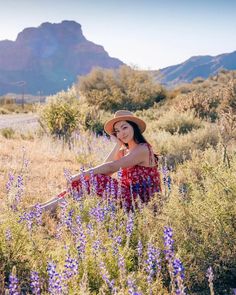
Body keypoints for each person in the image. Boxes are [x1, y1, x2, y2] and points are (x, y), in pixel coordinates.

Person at [40, 110, 161, 212]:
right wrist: (117, 145)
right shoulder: (125, 151)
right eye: (117, 131)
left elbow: (111, 167)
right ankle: (43, 207)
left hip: (143, 203)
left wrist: (79, 175)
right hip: (129, 196)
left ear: (134, 127)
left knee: (94, 179)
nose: (121, 133)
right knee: (86, 181)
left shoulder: (143, 149)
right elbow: (105, 169)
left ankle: (44, 210)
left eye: (124, 127)